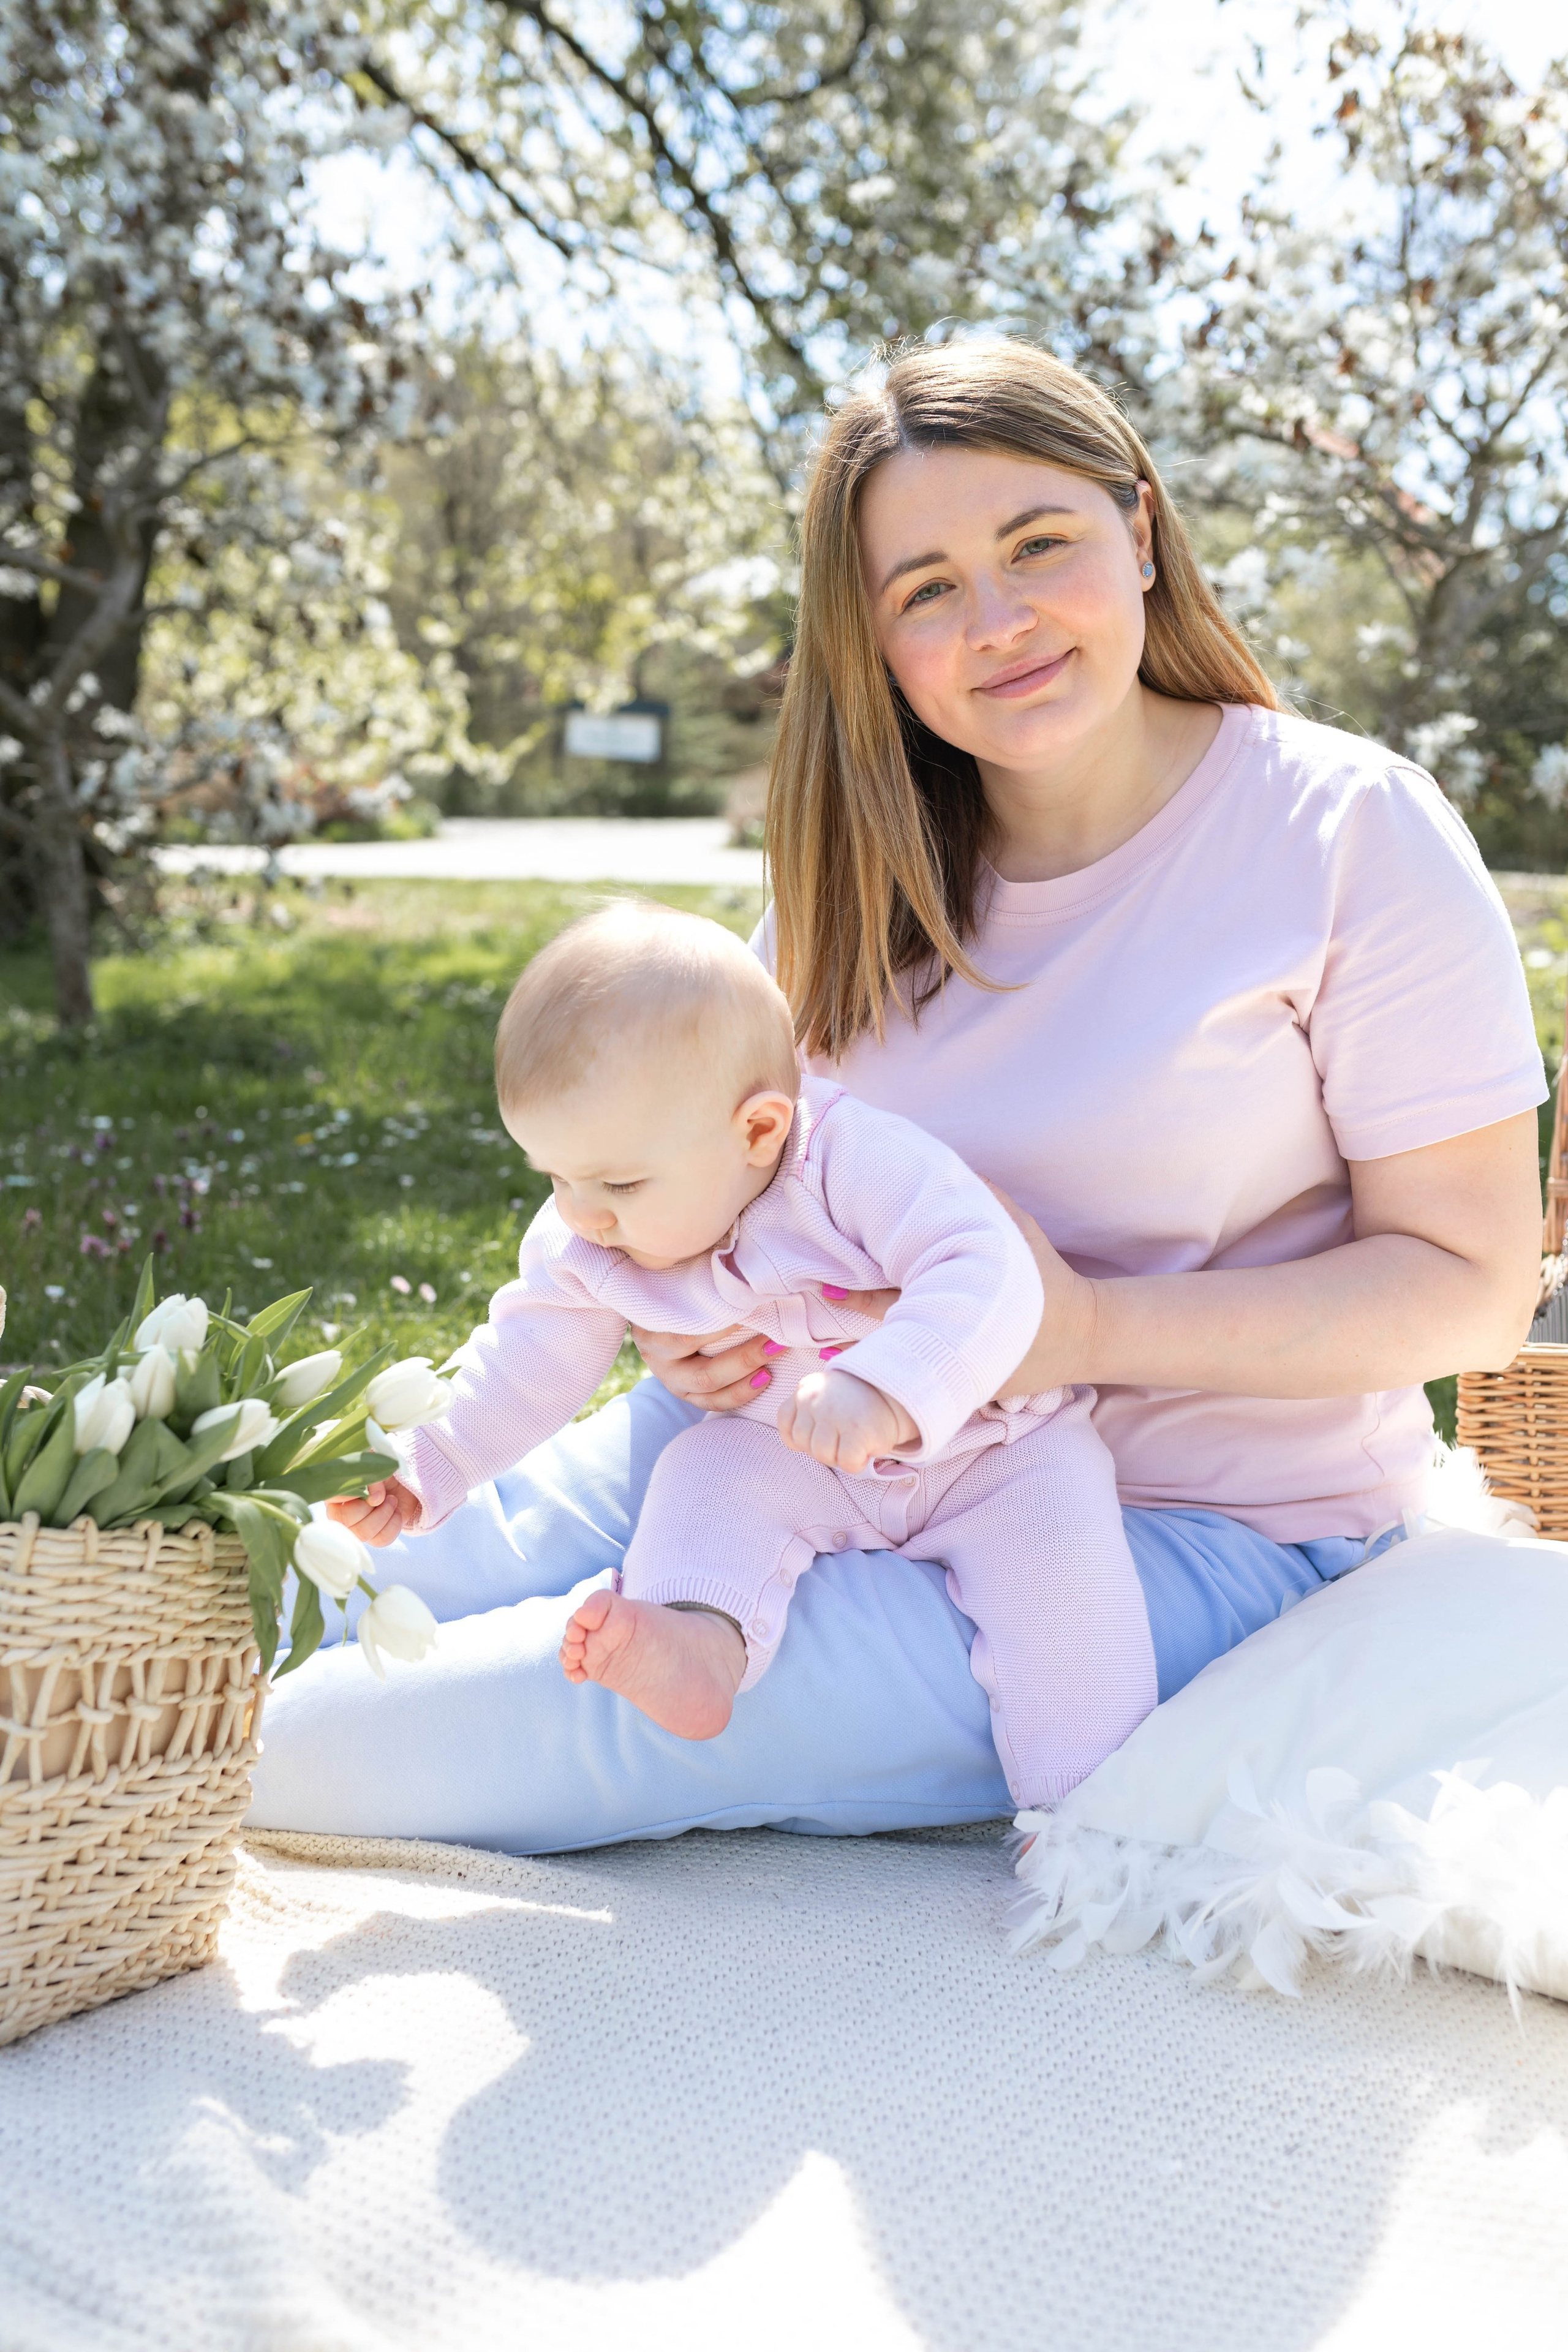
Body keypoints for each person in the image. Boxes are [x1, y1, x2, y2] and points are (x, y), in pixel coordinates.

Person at [247, 339, 1545, 1853]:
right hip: (779, 1458)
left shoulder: (1343, 831)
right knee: (275, 1590)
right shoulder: (856, 875)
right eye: (924, 587)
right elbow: (710, 1178)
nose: (995, 620)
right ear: (871, 636)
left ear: (1138, 529)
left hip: (1168, 1531)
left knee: (386, 1740)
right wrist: (695, 1341)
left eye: (1035, 545)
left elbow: (1470, 1290)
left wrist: (1072, 1330)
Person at [328, 901, 1152, 1808]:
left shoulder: (851, 1164)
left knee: (1069, 1596)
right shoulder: (595, 1235)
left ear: (758, 1131)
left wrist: (885, 1390)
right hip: (788, 1449)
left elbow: (984, 1267)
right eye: (555, 1177)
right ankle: (695, 1639)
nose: (582, 1213)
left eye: (619, 1183)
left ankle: (1089, 1820)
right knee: (704, 1477)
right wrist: (430, 1464)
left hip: (997, 1453)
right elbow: (529, 1352)